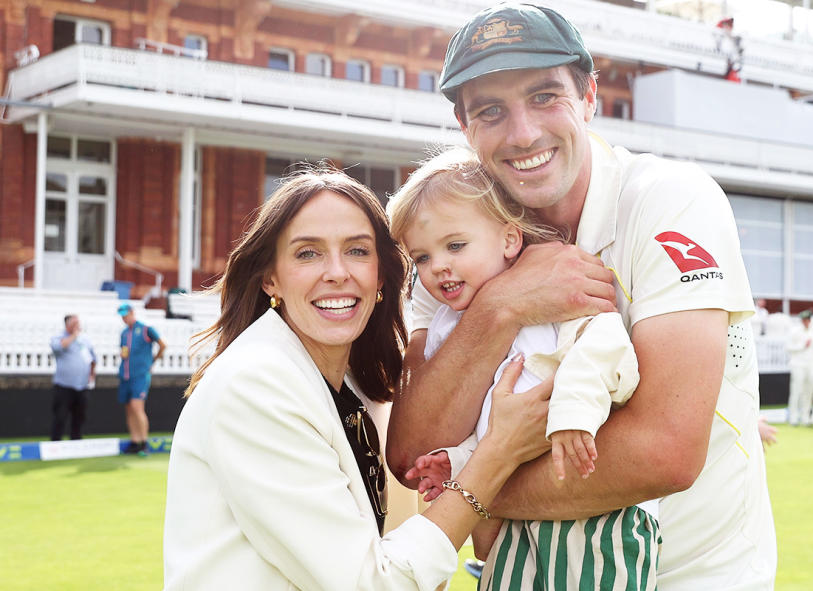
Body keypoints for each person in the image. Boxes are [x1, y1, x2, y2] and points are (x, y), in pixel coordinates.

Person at [386, 4, 777, 590]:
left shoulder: (668, 199)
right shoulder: (454, 234)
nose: (523, 134)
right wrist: (503, 305)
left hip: (688, 576)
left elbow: (664, 452)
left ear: (589, 95)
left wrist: (469, 487)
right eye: (491, 111)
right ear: (466, 130)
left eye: (546, 96)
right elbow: (413, 447)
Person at [162, 167, 552, 590]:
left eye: (358, 251)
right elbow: (369, 584)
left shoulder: (361, 387)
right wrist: (499, 453)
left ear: (381, 275)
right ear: (270, 278)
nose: (337, 272)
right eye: (308, 253)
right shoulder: (254, 386)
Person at [388, 148, 658, 589]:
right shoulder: (445, 328)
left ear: (510, 240)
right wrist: (455, 461)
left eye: (456, 246)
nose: (439, 266)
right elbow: (479, 427)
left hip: (598, 517)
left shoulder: (553, 284)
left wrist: (572, 412)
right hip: (515, 522)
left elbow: (607, 346)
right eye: (421, 258)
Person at [117, 303, 165, 455]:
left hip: (140, 375)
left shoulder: (146, 329)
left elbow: (163, 345)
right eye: (122, 316)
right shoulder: (124, 333)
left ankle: (144, 442)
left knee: (137, 408)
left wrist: (152, 362)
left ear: (132, 313)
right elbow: (124, 352)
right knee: (129, 409)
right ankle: (134, 441)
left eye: (126, 315)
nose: (124, 318)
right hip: (125, 375)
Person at [49, 314, 96, 440]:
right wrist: (73, 336)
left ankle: (76, 441)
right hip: (64, 385)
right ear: (67, 324)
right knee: (60, 416)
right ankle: (55, 442)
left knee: (80, 416)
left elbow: (92, 359)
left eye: (78, 323)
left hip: (82, 385)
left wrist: (92, 375)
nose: (78, 326)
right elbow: (58, 347)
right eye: (74, 323)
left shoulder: (85, 340)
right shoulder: (58, 337)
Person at [786, 309, 813, 426]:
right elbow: (789, 347)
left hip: (811, 364)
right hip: (798, 364)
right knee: (796, 391)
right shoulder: (795, 331)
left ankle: (805, 416)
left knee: (809, 391)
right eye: (804, 320)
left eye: (808, 320)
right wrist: (802, 346)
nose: (806, 322)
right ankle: (793, 417)